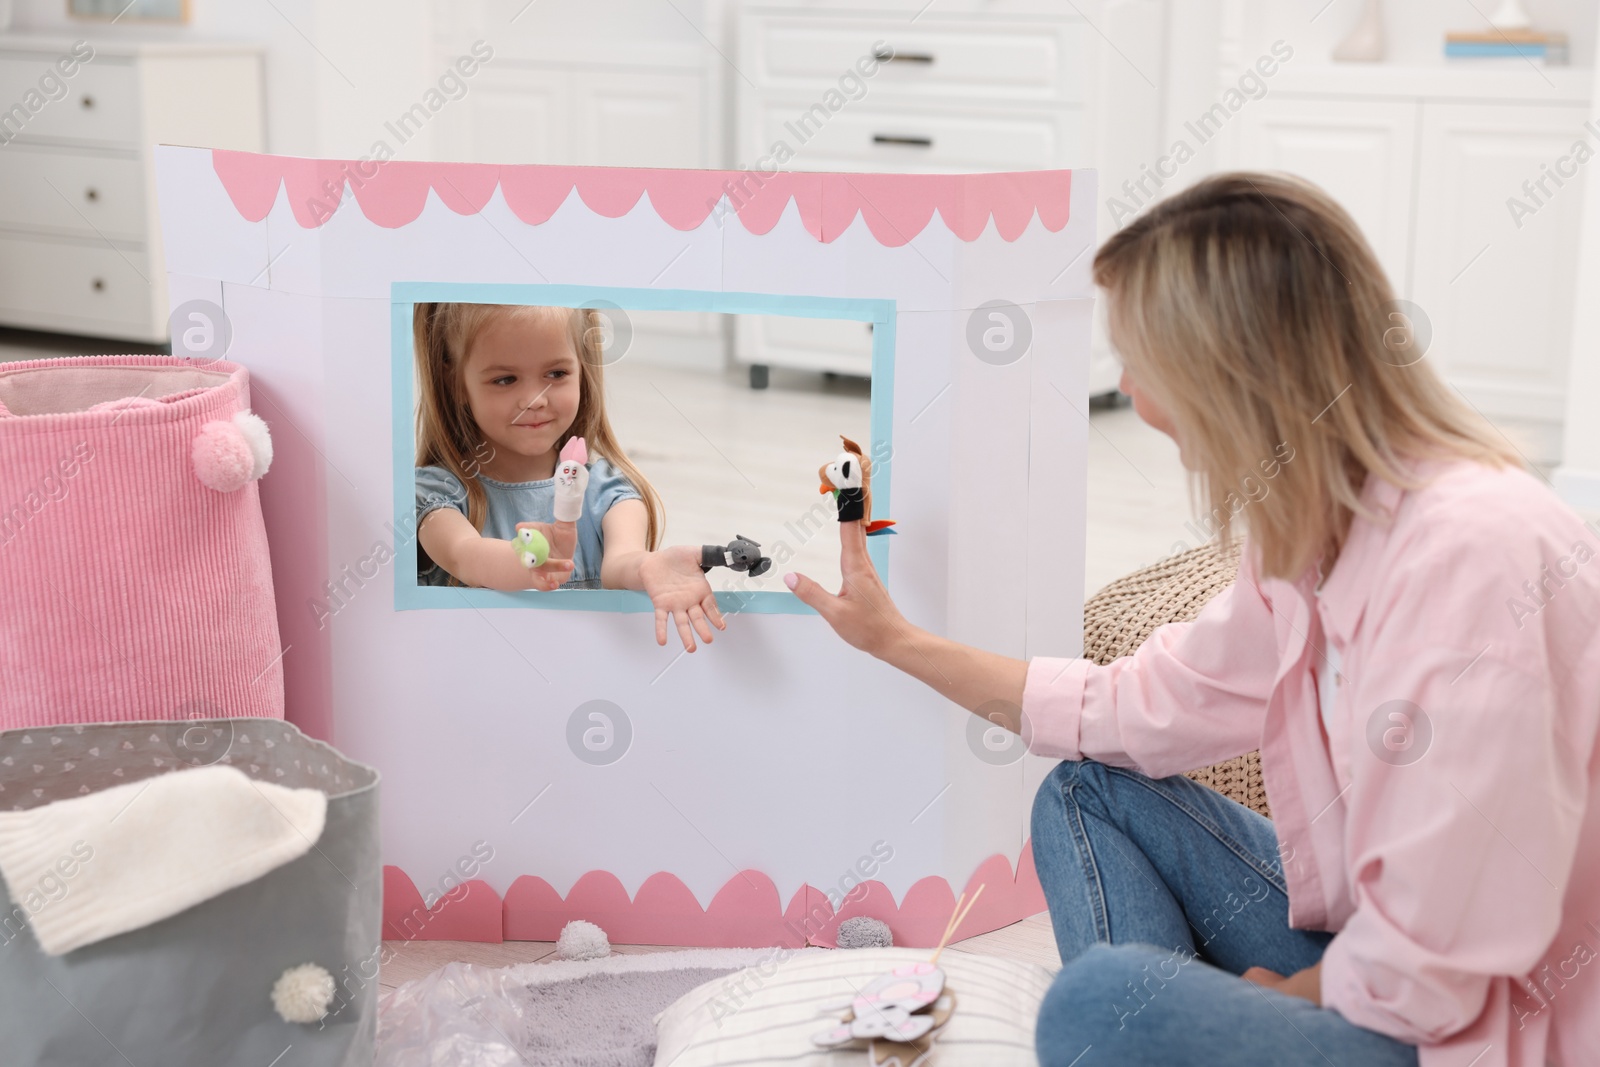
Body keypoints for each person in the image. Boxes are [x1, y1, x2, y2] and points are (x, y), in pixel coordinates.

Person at [786, 172, 1600, 1066]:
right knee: (1088, 784)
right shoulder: (1316, 539)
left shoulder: (1472, 558)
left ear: (1231, 373)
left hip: (1476, 1027)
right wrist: (893, 639)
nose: (1128, 387)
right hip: (1376, 961)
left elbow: (1437, 959)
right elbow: (1126, 709)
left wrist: (1285, 997)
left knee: (1095, 1005)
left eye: (1141, 360)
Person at [413, 302, 725, 652]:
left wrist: (652, 567)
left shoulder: (609, 492)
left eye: (556, 374)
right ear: (455, 383)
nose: (535, 400)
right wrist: (530, 559)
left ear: (582, 369)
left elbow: (621, 564)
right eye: (505, 379)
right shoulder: (436, 494)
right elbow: (464, 556)